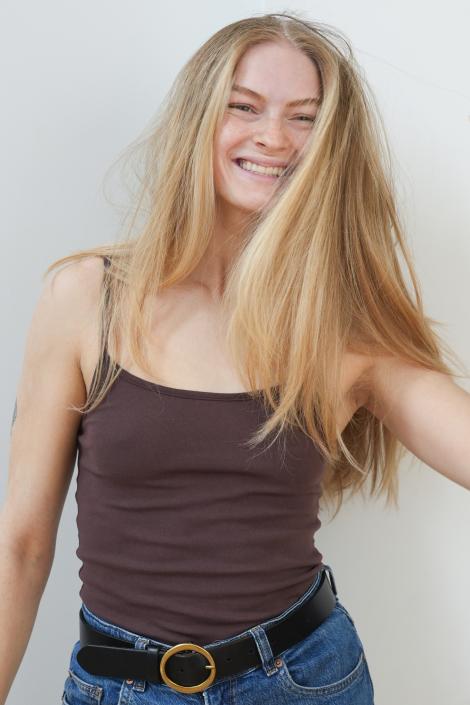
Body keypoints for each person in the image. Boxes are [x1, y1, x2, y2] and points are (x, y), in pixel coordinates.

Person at [2, 11, 469, 705]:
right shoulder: (87, 297)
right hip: (122, 686)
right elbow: (21, 545)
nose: (274, 137)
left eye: (304, 117)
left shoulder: (342, 325)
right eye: (244, 106)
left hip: (306, 679)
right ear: (198, 118)